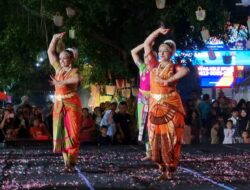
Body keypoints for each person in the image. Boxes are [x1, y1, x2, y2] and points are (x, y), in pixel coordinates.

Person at [144, 27, 188, 180]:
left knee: (171, 136)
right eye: (160, 50)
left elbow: (185, 71)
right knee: (156, 138)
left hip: (171, 105)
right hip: (155, 106)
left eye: (165, 51)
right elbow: (146, 45)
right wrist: (157, 32)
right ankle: (162, 169)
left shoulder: (174, 66)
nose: (162, 53)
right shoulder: (153, 66)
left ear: (171, 53)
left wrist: (167, 80)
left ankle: (170, 168)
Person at [47, 32, 82, 173]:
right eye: (60, 58)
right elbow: (50, 51)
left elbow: (75, 80)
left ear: (71, 59)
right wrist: (54, 38)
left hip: (72, 104)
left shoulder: (74, 71)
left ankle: (71, 163)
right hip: (58, 105)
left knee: (73, 134)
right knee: (61, 133)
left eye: (64, 58)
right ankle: (66, 164)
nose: (61, 61)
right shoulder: (58, 69)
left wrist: (60, 82)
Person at [131, 43, 151, 160]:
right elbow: (133, 52)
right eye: (145, 56)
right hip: (142, 100)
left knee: (152, 125)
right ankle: (148, 153)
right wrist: (146, 44)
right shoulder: (142, 67)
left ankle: (156, 152)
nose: (146, 59)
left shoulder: (157, 69)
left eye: (149, 56)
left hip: (153, 99)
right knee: (144, 125)